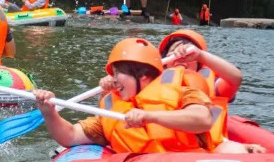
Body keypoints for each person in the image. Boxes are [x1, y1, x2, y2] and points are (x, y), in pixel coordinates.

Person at [33, 38, 224, 154]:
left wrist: (149, 117)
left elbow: (203, 119)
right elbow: (70, 136)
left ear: (143, 75)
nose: (113, 81)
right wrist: (49, 112)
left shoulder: (184, 92)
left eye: (118, 74)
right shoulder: (113, 113)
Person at [158, 29, 265, 153]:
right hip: (167, 150)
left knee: (233, 150)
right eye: (174, 54)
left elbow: (236, 78)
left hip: (212, 147)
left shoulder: (212, 86)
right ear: (165, 63)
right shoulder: (152, 84)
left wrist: (200, 54)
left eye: (188, 55)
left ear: (199, 64)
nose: (181, 58)